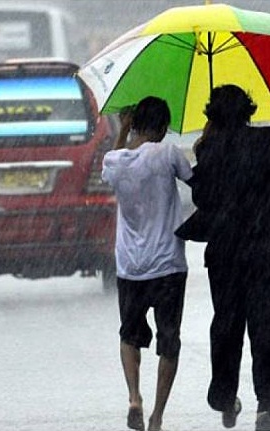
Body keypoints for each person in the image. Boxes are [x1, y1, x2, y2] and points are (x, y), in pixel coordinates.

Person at [183, 85, 270, 431]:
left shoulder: (209, 149)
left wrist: (207, 158)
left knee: (226, 326)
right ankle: (266, 405)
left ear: (212, 115)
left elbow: (201, 200)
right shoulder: (269, 139)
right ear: (248, 111)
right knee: (264, 324)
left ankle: (226, 398)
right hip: (264, 249)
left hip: (225, 253)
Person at [102, 96, 194, 431]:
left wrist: (122, 129)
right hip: (168, 264)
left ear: (135, 123)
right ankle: (157, 416)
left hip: (130, 265)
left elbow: (112, 165)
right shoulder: (168, 154)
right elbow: (198, 182)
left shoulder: (115, 160)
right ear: (164, 126)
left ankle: (133, 398)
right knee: (169, 340)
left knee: (130, 334)